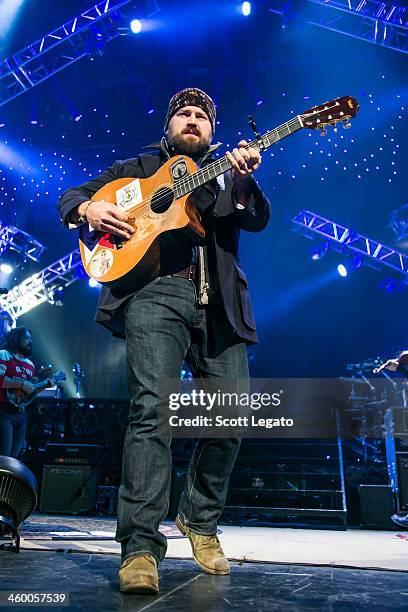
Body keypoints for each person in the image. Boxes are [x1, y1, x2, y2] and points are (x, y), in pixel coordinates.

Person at [58, 88, 270, 594]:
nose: (193, 121)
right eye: (185, 114)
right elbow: (71, 198)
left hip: (219, 304)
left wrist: (242, 181)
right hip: (155, 295)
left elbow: (255, 218)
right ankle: (139, 549)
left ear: (213, 132)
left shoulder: (223, 171)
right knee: (152, 412)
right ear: (170, 125)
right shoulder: (134, 168)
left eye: (202, 117)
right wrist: (89, 209)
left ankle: (198, 518)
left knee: (232, 416)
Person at [0, 327, 36, 458]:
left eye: (31, 339)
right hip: (3, 412)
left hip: (21, 415)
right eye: (27, 338)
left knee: (13, 459)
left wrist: (44, 386)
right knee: (3, 456)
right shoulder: (3, 355)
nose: (30, 341)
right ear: (17, 338)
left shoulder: (30, 365)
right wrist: (21, 384)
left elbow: (28, 393)